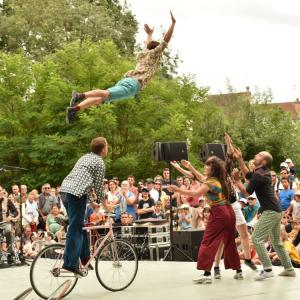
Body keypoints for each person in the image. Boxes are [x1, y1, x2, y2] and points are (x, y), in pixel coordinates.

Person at [66, 11, 176, 124]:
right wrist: (173, 23)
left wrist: (149, 35)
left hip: (127, 81)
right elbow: (165, 40)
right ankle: (80, 95)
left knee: (102, 99)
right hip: (133, 85)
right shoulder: (154, 55)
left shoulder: (145, 53)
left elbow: (148, 44)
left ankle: (74, 109)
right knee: (106, 93)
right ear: (157, 49)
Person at [169, 156, 242, 284]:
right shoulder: (217, 180)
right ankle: (238, 270)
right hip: (228, 211)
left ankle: (207, 274)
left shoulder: (211, 183)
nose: (204, 168)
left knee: (208, 241)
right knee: (229, 241)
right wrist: (188, 166)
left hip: (219, 213)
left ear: (212, 169)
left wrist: (178, 190)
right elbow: (198, 176)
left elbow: (196, 193)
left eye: (206, 166)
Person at [233, 150, 296, 280]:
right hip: (276, 210)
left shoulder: (260, 175)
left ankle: (267, 269)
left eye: (259, 155)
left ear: (264, 161)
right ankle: (289, 269)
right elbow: (248, 175)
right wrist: (239, 159)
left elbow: (246, 193)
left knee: (256, 238)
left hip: (271, 211)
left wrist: (237, 180)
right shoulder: (261, 172)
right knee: (277, 242)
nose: (256, 155)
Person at [60, 137, 108, 276]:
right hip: (76, 194)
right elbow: (99, 187)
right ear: (103, 149)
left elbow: (84, 181)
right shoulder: (99, 162)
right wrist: (106, 205)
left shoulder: (85, 157)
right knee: (75, 228)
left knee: (80, 226)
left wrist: (92, 202)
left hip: (65, 191)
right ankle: (70, 263)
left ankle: (85, 257)